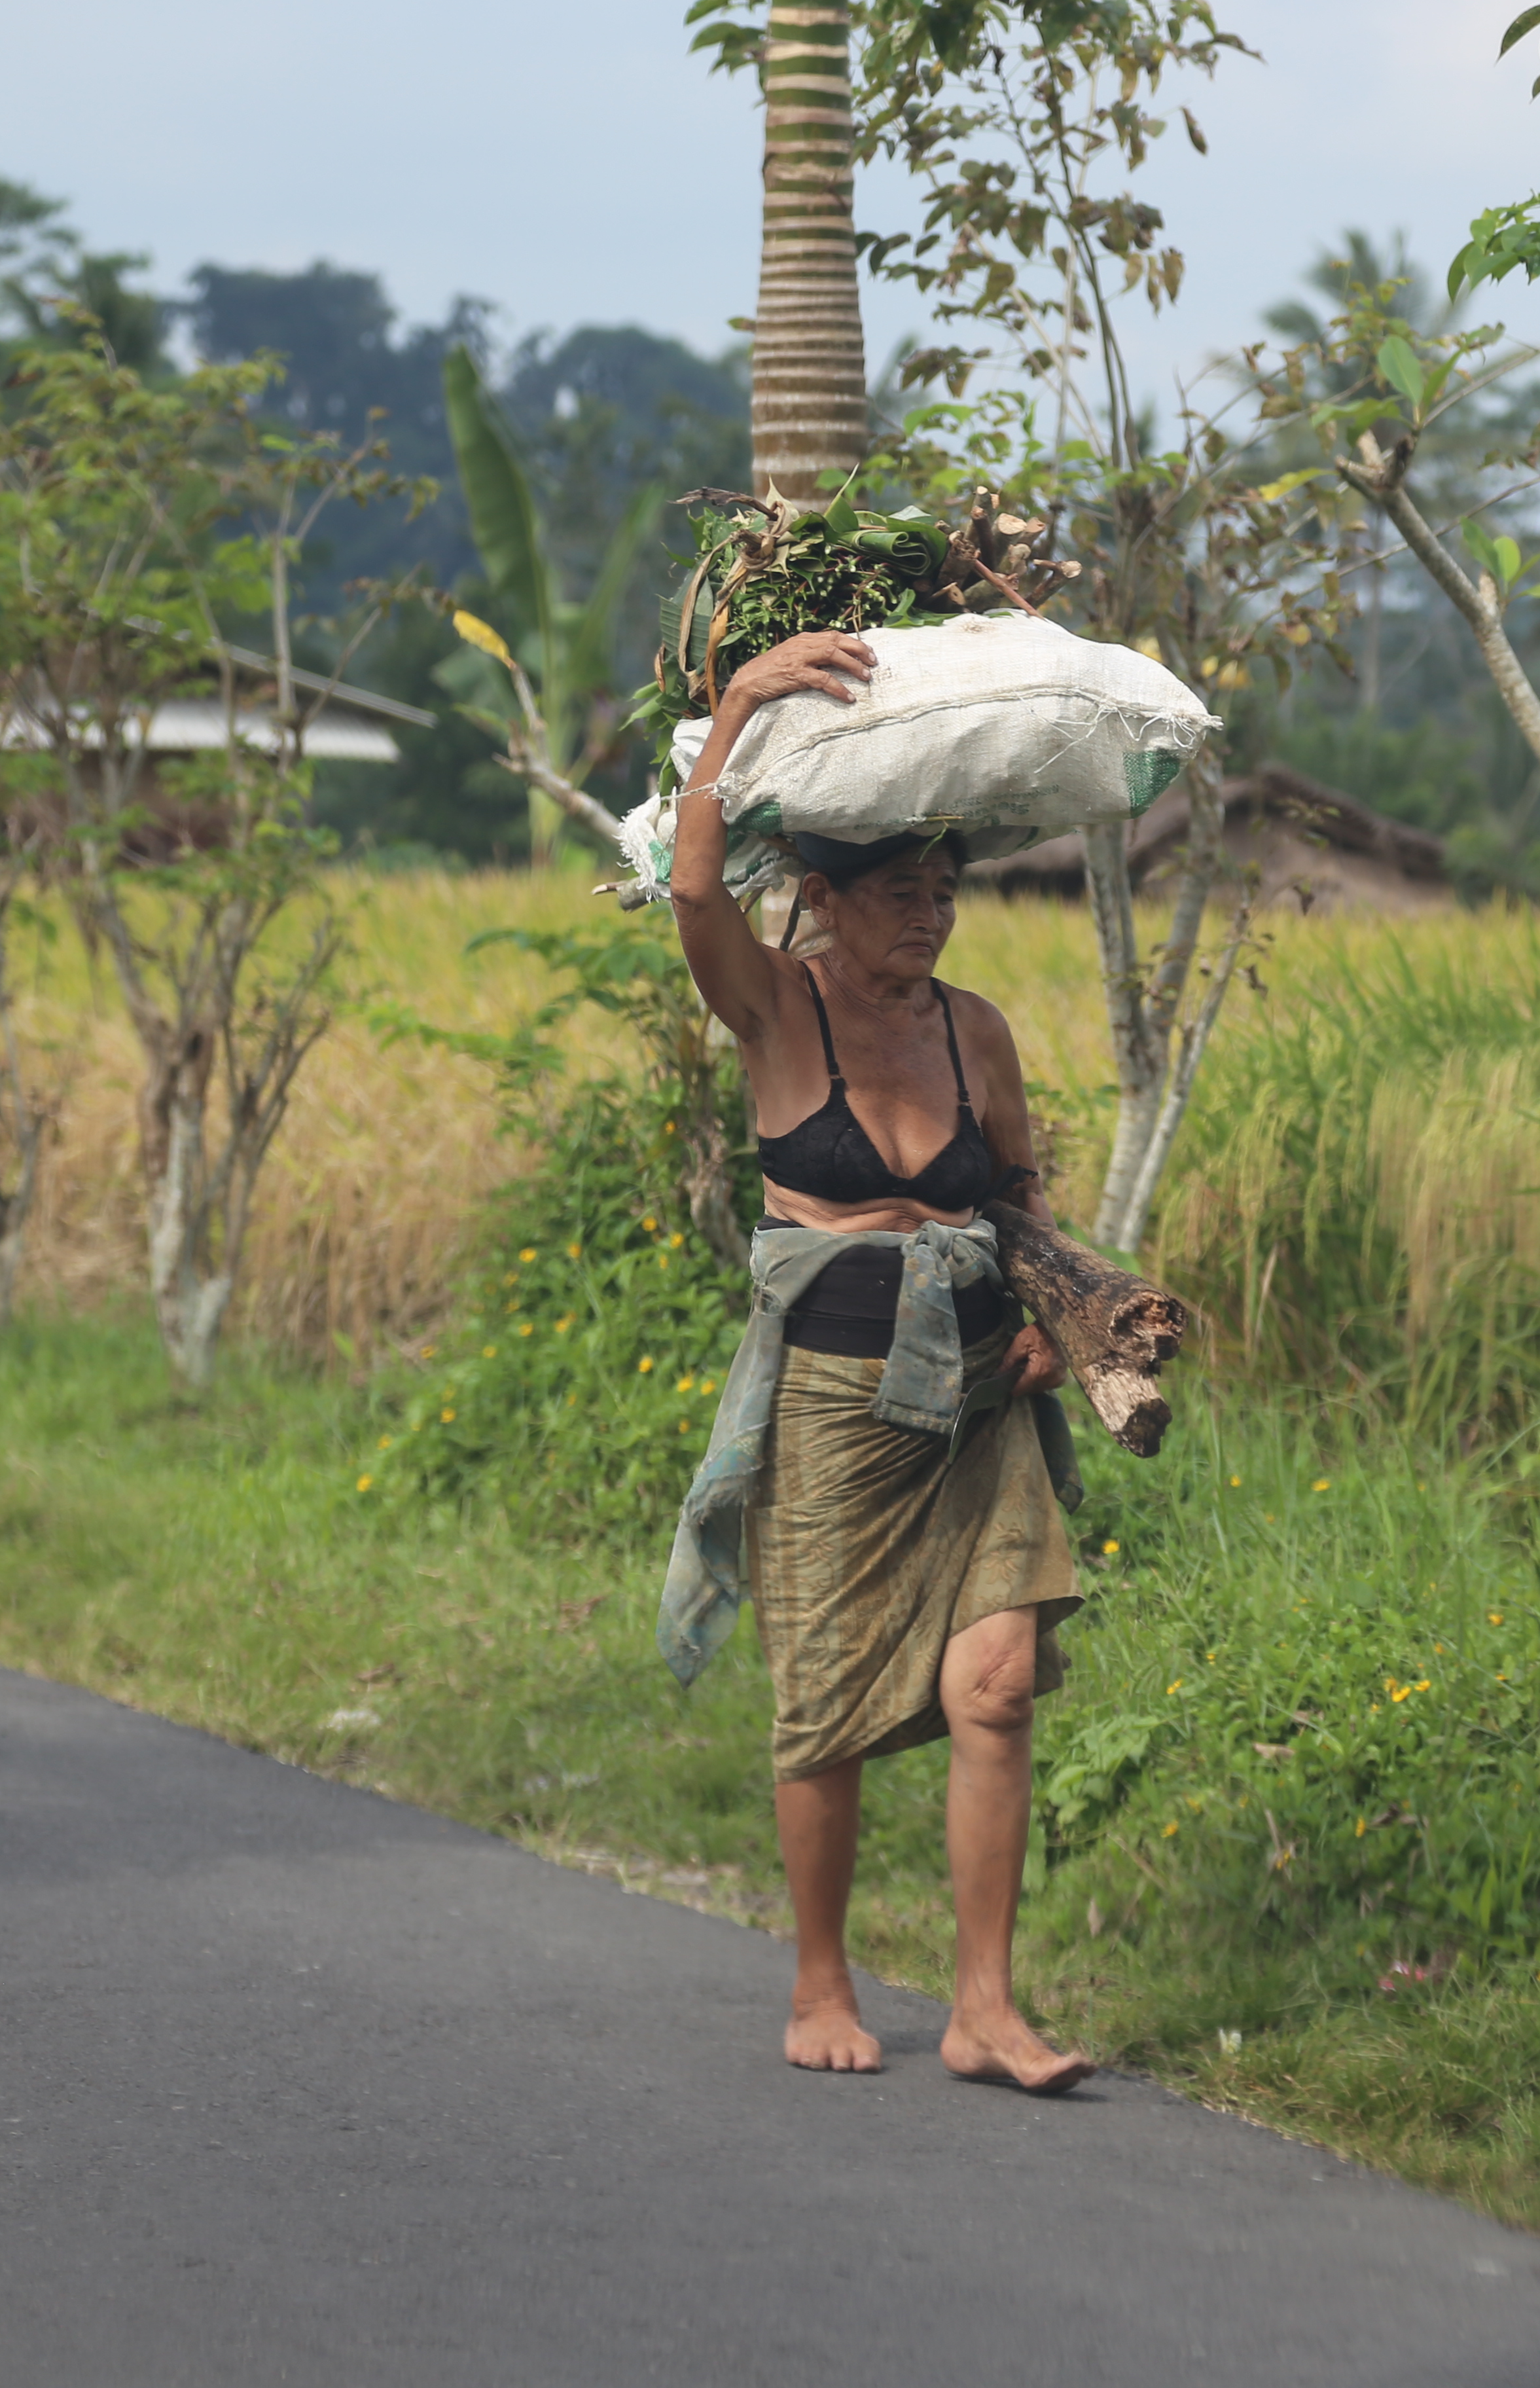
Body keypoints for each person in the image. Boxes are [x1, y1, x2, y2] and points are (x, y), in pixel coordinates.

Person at [656, 628, 1096, 2095]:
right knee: (826, 1701)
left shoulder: (979, 1032)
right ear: (824, 903)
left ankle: (983, 2007)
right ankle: (820, 1978)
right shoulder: (777, 1009)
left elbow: (1021, 1195)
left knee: (1000, 1684)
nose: (931, 910)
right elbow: (698, 886)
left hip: (981, 1399)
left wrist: (1057, 1313)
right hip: (840, 1403)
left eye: (946, 885)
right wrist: (736, 708)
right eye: (901, 889)